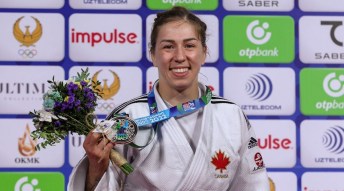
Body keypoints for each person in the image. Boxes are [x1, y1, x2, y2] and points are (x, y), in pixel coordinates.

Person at [68, 6, 269, 191]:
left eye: (189, 45)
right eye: (168, 47)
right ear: (153, 55)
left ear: (204, 53)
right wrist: (95, 167)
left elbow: (253, 185)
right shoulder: (128, 117)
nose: (180, 56)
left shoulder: (231, 115)